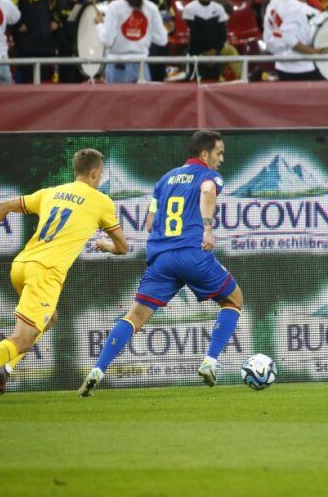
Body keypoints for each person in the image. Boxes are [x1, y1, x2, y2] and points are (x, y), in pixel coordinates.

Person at [78, 129, 243, 395]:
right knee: (234, 299)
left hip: (161, 259)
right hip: (192, 253)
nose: (222, 159)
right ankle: (210, 362)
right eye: (219, 152)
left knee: (135, 316)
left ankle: (98, 369)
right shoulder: (209, 176)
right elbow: (208, 191)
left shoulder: (164, 180)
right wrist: (208, 228)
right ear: (204, 153)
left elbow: (150, 223)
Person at [0, 148, 128, 405]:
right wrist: (107, 246)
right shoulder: (101, 201)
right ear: (95, 173)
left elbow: (4, 206)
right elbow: (123, 247)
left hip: (22, 265)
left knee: (49, 319)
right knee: (22, 339)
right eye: (101, 174)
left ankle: (5, 368)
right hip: (45, 273)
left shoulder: (52, 192)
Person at [95, 0, 168, 83]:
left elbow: (107, 41)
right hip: (142, 67)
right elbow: (162, 39)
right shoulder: (151, 7)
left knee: (116, 102)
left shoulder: (115, 7)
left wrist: (99, 25)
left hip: (117, 66)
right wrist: (144, 36)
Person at [263, 0, 328, 81]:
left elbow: (268, 36)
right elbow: (290, 40)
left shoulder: (273, 1)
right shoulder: (293, 6)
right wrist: (315, 52)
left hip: (281, 64)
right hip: (300, 67)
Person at [6, 0, 58, 83]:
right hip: (25, 46)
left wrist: (55, 22)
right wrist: (18, 25)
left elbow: (55, 11)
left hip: (45, 46)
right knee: (26, 85)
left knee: (45, 83)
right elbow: (9, 12)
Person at [182, 0, 239, 81]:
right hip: (196, 55)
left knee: (215, 83)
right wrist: (205, 55)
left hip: (215, 54)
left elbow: (222, 35)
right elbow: (195, 34)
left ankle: (240, 78)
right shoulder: (190, 8)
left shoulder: (218, 9)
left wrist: (214, 52)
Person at [142, 0, 174, 82]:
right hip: (147, 42)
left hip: (161, 42)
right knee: (148, 78)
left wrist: (170, 25)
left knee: (160, 78)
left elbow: (168, 15)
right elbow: (140, 10)